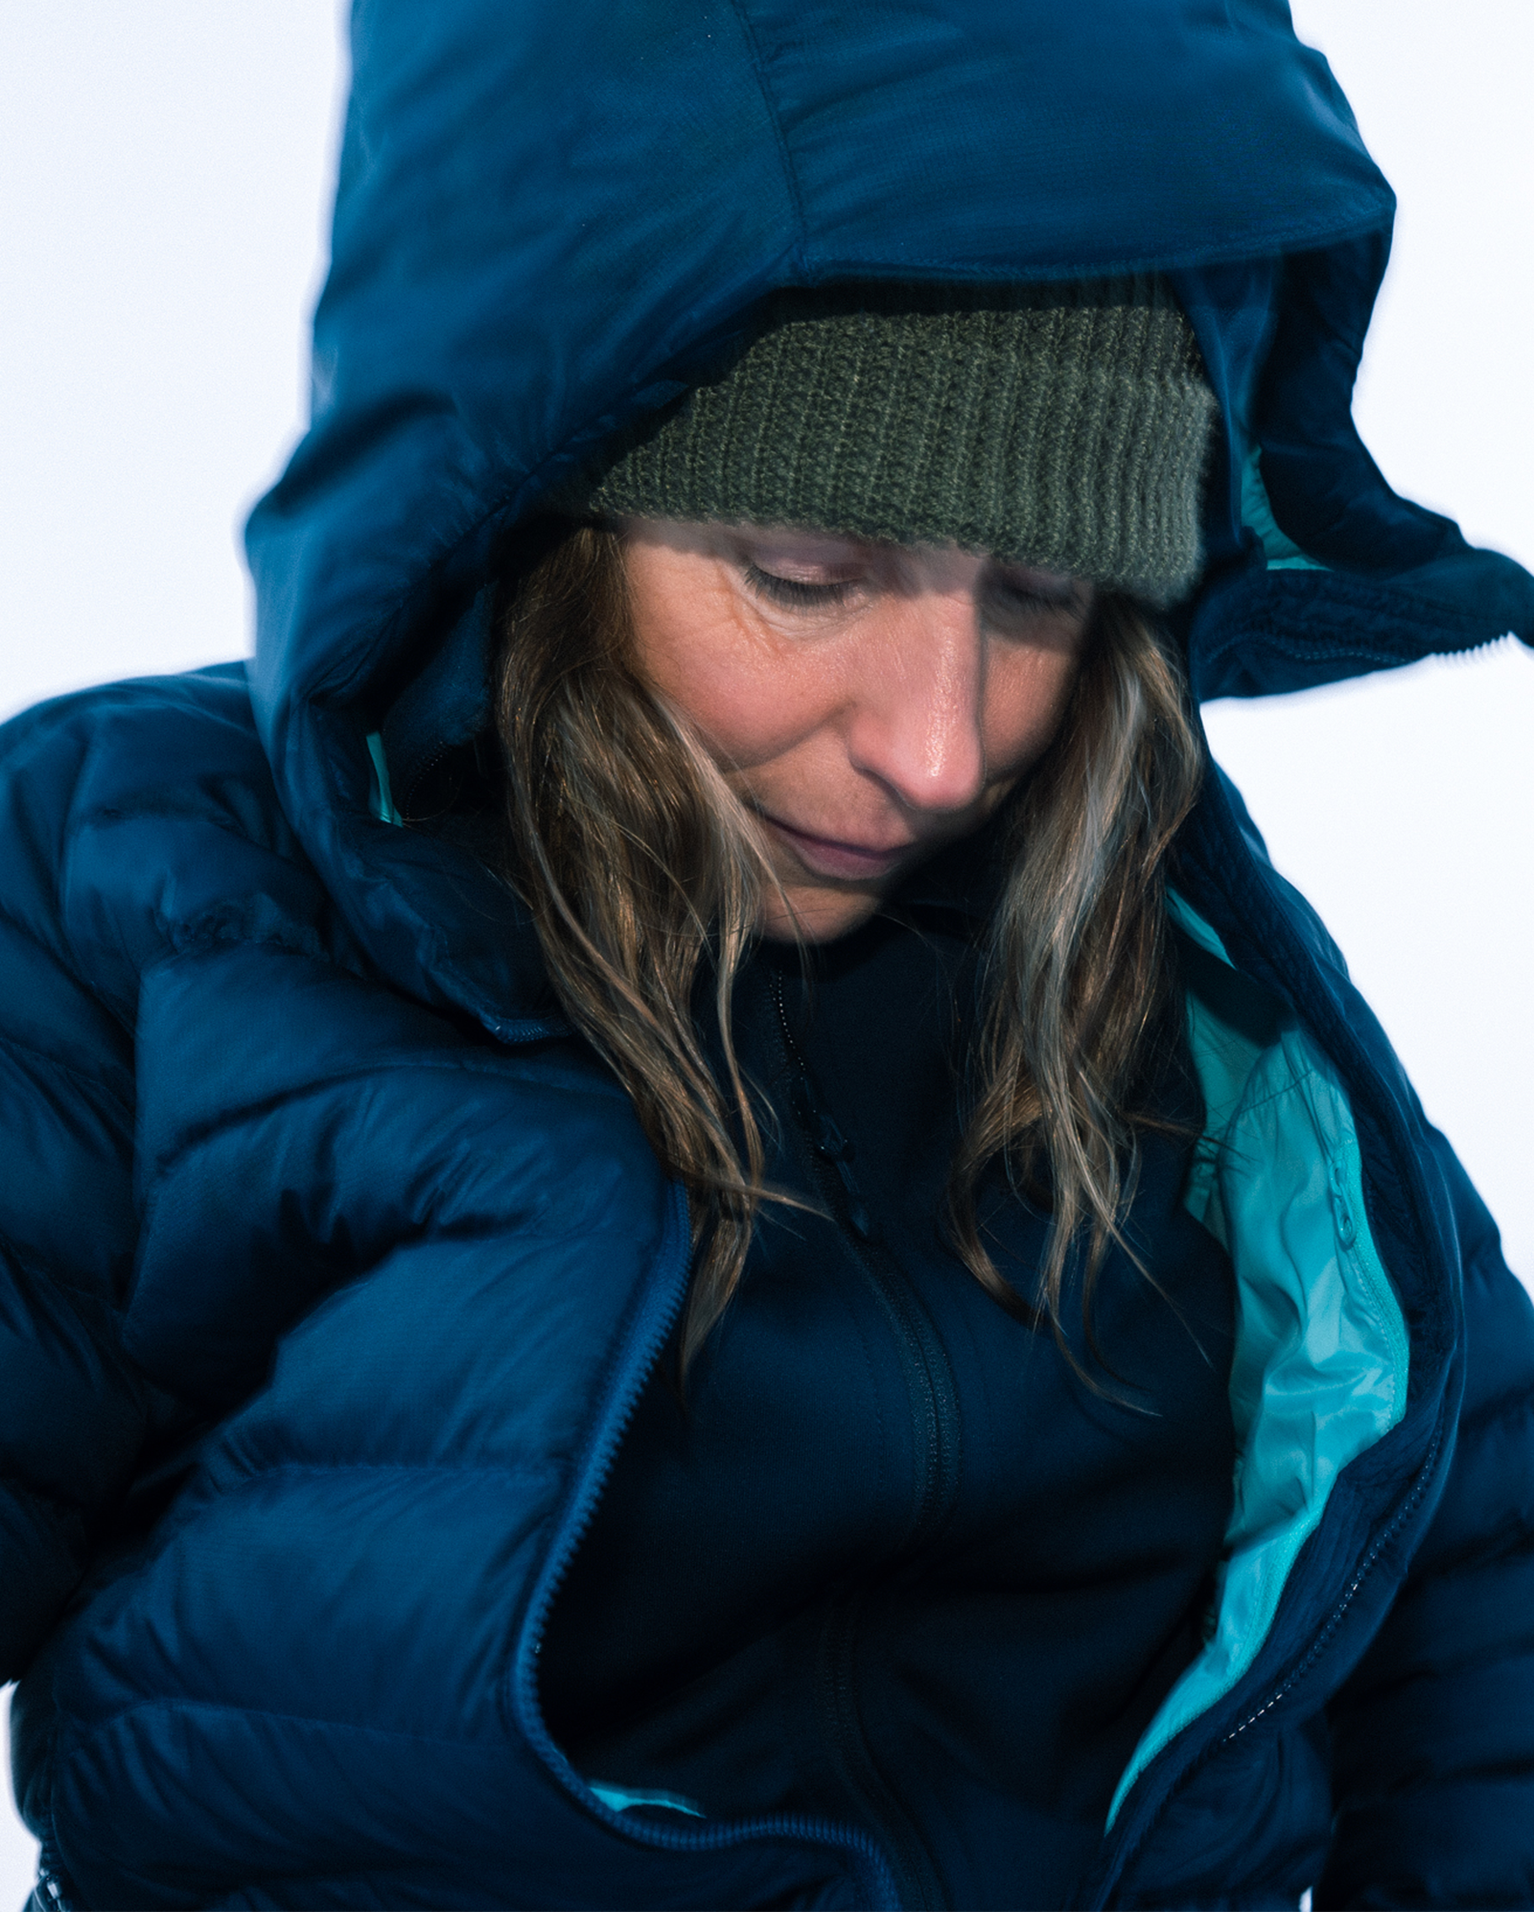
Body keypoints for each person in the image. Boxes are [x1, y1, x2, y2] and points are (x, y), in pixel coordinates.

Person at [1, 4, 1531, 1910]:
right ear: (536, 506)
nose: (940, 749)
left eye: (1043, 592)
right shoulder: (137, 884)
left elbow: (1479, 1595)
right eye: (806, 575)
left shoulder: (1177, 968)